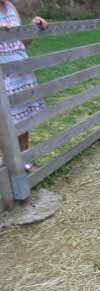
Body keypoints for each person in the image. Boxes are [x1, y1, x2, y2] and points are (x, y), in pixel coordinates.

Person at [0, 1, 47, 172]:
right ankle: (9, 164)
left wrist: (33, 28)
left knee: (24, 118)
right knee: (5, 120)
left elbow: (22, 42)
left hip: (21, 69)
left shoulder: (10, 7)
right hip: (3, 72)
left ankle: (25, 159)